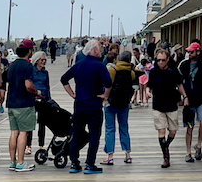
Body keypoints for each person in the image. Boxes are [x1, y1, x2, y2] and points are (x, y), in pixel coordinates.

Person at [59, 38, 112, 174]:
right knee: (94, 134)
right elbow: (108, 83)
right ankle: (89, 164)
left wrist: (72, 94)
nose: (101, 51)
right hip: (94, 104)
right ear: (94, 50)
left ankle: (74, 163)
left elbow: (64, 79)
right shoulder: (100, 65)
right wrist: (105, 96)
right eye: (100, 48)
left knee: (76, 133)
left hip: (80, 104)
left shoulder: (78, 64)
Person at [147, 48, 187, 169]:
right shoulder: (154, 72)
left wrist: (185, 97)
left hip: (171, 105)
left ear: (168, 59)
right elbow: (149, 85)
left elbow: (179, 85)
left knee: (173, 131)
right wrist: (148, 92)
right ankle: (166, 157)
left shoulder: (173, 72)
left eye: (162, 60)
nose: (160, 62)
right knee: (161, 130)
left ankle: (166, 145)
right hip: (158, 105)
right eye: (158, 60)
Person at [178, 42, 202, 163]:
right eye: (188, 52)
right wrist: (183, 97)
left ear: (198, 52)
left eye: (191, 52)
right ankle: (188, 152)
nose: (189, 54)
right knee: (189, 127)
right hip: (189, 99)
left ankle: (198, 145)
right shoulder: (183, 65)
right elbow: (179, 82)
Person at [6, 39, 38, 173]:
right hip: (24, 103)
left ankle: (12, 161)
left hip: (11, 103)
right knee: (23, 133)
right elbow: (28, 85)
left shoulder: (12, 65)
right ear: (30, 51)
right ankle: (21, 162)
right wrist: (36, 92)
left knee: (14, 132)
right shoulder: (28, 66)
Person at [104, 50, 137, 165]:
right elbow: (133, 87)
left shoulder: (112, 70)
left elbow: (107, 85)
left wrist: (104, 98)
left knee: (109, 129)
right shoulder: (131, 72)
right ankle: (127, 154)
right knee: (124, 128)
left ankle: (110, 156)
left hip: (111, 103)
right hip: (124, 104)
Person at [30, 51, 53, 148]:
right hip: (33, 99)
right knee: (30, 123)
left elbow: (47, 86)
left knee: (42, 123)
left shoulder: (45, 72)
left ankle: (41, 145)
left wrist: (49, 100)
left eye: (45, 60)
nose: (44, 62)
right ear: (36, 60)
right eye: (42, 60)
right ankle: (28, 145)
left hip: (43, 99)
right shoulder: (31, 71)